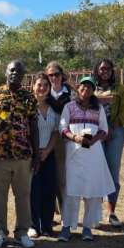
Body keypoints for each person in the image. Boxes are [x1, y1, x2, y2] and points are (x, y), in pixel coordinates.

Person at [0, 60, 40, 248]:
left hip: (23, 156)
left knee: (23, 195)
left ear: (23, 74)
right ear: (6, 72)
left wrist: (36, 155)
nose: (15, 73)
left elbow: (34, 128)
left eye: (19, 71)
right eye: (12, 70)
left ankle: (21, 233)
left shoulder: (29, 97)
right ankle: (0, 232)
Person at [58, 77, 115, 242]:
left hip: (93, 155)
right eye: (83, 86)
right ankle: (66, 226)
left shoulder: (98, 108)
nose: (86, 89)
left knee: (91, 191)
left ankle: (88, 227)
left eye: (90, 87)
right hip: (73, 154)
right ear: (78, 88)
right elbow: (62, 127)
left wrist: (95, 139)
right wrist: (74, 137)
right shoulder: (68, 107)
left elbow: (104, 127)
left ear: (93, 90)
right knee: (71, 191)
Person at [93, 59, 124, 227]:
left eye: (108, 68)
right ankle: (95, 213)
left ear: (112, 71)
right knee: (96, 172)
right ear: (97, 70)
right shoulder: (90, 87)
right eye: (102, 69)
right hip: (95, 134)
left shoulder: (120, 89)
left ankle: (111, 212)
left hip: (115, 133)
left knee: (113, 172)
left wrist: (111, 128)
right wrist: (101, 130)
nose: (105, 71)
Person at [29, 73, 59, 238]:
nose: (42, 88)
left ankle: (47, 225)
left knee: (49, 189)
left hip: (48, 153)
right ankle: (33, 225)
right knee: (34, 190)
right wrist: (35, 153)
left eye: (45, 85)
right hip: (31, 154)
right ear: (33, 86)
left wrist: (47, 151)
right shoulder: (27, 105)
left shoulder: (54, 107)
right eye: (39, 84)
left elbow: (56, 131)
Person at [45, 61, 73, 217]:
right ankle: (50, 210)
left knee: (62, 177)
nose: (54, 77)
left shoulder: (71, 94)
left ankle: (65, 213)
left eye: (56, 74)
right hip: (45, 138)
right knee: (49, 176)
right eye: (51, 75)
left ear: (62, 75)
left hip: (64, 139)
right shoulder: (43, 92)